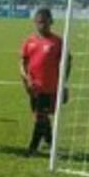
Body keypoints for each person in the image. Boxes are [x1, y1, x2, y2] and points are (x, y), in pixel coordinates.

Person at [20, 8, 70, 156]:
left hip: (50, 87)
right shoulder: (29, 41)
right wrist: (26, 79)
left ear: (51, 22)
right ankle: (50, 141)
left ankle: (33, 148)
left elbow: (68, 62)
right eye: (39, 22)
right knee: (39, 116)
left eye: (45, 22)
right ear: (35, 23)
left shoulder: (58, 42)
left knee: (41, 117)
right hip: (34, 87)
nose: (42, 25)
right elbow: (22, 62)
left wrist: (64, 83)